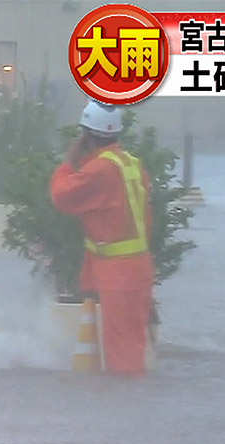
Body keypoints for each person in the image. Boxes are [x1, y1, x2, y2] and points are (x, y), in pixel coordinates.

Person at [50, 100, 154, 375]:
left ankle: (125, 410)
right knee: (133, 343)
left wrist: (67, 164)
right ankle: (131, 402)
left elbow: (62, 196)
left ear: (86, 136)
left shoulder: (101, 170)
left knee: (123, 353)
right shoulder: (131, 164)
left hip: (118, 272)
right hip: (137, 267)